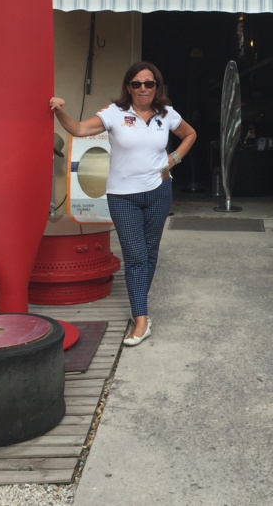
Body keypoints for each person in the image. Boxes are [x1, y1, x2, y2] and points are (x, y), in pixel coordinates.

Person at [50, 62, 196, 346]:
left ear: (157, 87)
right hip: (123, 197)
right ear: (128, 87)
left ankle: (138, 306)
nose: (143, 88)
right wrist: (59, 111)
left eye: (149, 84)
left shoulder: (166, 114)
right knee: (135, 257)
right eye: (137, 84)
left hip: (159, 191)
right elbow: (79, 129)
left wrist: (173, 159)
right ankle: (141, 320)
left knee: (150, 253)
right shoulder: (115, 113)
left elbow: (190, 135)